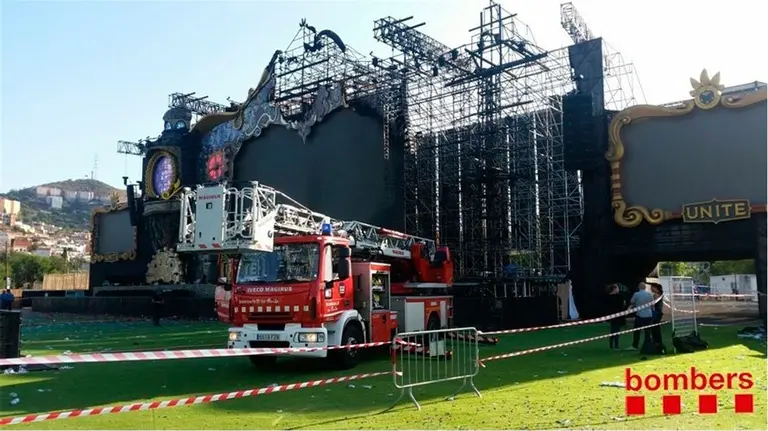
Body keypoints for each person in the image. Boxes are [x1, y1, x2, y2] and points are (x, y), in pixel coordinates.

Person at [627, 282, 654, 350]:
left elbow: (632, 302)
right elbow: (652, 305)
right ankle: (647, 344)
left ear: (638, 287)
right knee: (647, 331)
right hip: (649, 314)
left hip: (640, 315)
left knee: (637, 331)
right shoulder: (650, 294)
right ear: (645, 288)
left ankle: (635, 345)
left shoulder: (636, 294)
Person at [605, 284, 626, 350]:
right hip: (618, 316)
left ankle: (612, 344)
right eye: (617, 288)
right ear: (614, 289)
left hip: (612, 316)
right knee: (616, 330)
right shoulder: (619, 297)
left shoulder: (608, 297)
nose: (618, 289)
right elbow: (622, 305)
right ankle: (616, 345)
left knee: (613, 330)